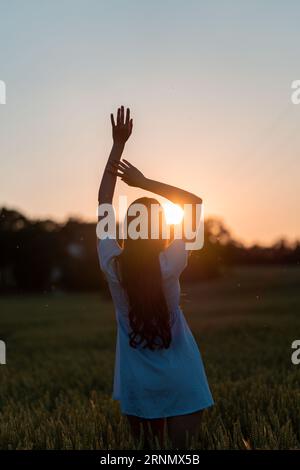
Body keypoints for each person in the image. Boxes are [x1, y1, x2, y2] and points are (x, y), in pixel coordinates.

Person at [97, 106, 213, 448]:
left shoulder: (112, 264)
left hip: (138, 384)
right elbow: (194, 203)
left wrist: (118, 145)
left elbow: (104, 199)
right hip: (184, 378)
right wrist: (144, 183)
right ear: (160, 227)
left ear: (127, 228)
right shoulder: (170, 261)